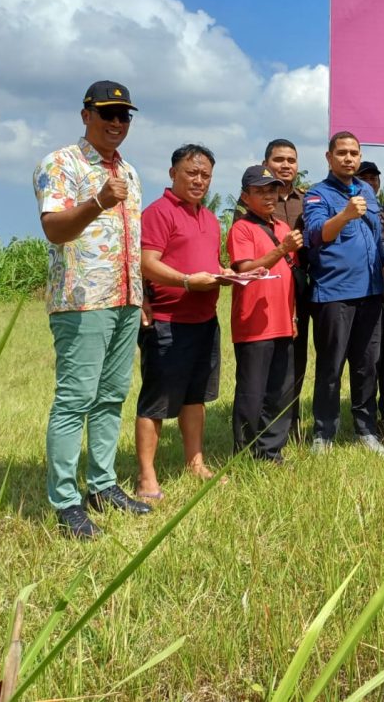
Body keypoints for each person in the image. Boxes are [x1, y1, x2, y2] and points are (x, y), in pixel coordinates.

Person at [33, 80, 151, 540]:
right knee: (74, 400)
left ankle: (102, 484)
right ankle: (65, 500)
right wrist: (98, 200)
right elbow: (55, 230)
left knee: (111, 397)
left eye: (124, 116)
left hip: (125, 299)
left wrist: (139, 295)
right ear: (86, 115)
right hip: (81, 301)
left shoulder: (131, 173)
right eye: (108, 114)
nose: (117, 123)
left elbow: (132, 243)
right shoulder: (61, 163)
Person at [134, 145, 229, 501]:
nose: (199, 180)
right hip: (168, 321)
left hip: (204, 319)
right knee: (156, 401)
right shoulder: (159, 213)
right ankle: (146, 475)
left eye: (205, 175)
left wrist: (227, 274)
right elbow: (147, 262)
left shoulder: (208, 217)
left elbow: (210, 263)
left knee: (195, 397)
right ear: (173, 173)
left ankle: (195, 461)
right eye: (192, 173)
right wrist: (188, 281)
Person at [303, 131, 384, 453]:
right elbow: (316, 235)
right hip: (334, 293)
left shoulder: (367, 189)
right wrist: (345, 214)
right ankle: (324, 433)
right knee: (330, 367)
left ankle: (366, 430)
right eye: (342, 153)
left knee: (367, 366)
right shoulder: (317, 194)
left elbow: (376, 235)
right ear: (329, 157)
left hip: (371, 292)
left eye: (354, 153)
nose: (349, 158)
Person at [228, 165, 304, 462]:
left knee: (280, 392)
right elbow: (244, 269)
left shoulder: (283, 228)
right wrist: (280, 248)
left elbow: (290, 276)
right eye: (260, 191)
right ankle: (246, 451)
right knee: (252, 393)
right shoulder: (242, 229)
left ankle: (272, 451)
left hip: (284, 322)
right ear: (246, 197)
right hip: (254, 324)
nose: (269, 196)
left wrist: (294, 316)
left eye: (272, 189)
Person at [262, 139, 308, 436]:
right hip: (269, 287)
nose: (286, 165)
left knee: (298, 354)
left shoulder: (306, 199)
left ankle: (290, 420)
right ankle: (265, 419)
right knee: (271, 355)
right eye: (279, 159)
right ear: (267, 163)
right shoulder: (256, 199)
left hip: (304, 285)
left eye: (291, 160)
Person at [357, 160, 384, 433]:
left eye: (374, 178)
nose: (370, 182)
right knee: (366, 361)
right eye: (365, 178)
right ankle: (362, 418)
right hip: (363, 293)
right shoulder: (351, 213)